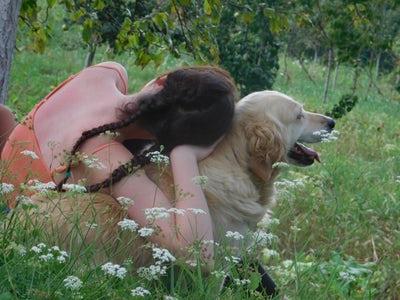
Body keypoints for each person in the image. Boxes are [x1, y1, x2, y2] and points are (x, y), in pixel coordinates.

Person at [0, 62, 237, 260]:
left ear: (162, 80)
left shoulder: (107, 72)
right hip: (8, 224)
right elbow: (195, 252)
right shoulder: (106, 156)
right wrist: (185, 155)